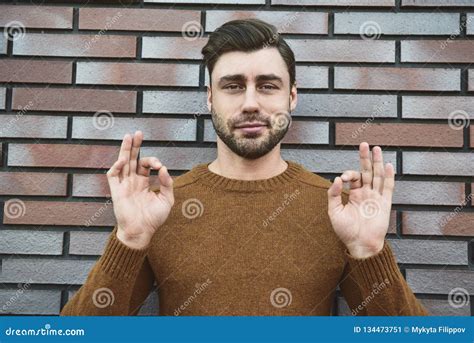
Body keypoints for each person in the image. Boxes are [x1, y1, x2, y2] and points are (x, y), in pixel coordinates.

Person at [61, 18, 428, 316]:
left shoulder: (339, 210)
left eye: (267, 86)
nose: (251, 103)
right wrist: (130, 240)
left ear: (292, 96)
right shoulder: (158, 208)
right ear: (210, 98)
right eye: (233, 86)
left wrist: (368, 250)